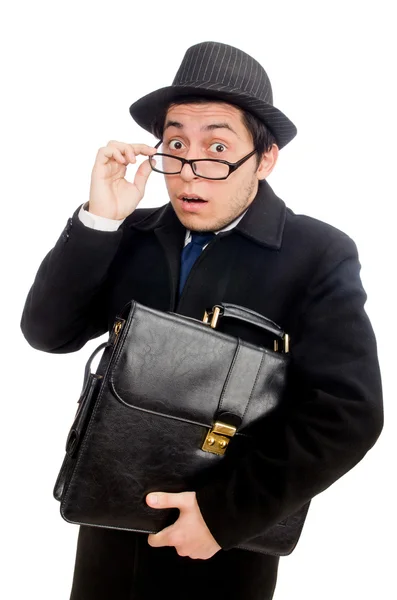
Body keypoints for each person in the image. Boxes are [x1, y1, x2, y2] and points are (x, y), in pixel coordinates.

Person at [20, 41, 383, 600]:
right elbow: (47, 333)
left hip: (224, 548)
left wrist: (223, 514)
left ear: (264, 159)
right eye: (175, 144)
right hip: (107, 535)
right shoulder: (130, 235)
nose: (190, 171)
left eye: (217, 147)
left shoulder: (317, 253)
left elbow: (348, 413)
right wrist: (99, 220)